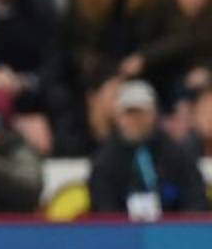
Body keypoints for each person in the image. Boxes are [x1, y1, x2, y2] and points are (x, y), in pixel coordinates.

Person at [89, 80, 209, 219]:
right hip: (121, 229)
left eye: (141, 113)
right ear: (119, 117)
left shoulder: (175, 154)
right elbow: (103, 207)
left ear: (154, 114)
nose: (135, 120)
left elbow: (195, 197)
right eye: (130, 113)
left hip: (171, 228)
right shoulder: (105, 160)